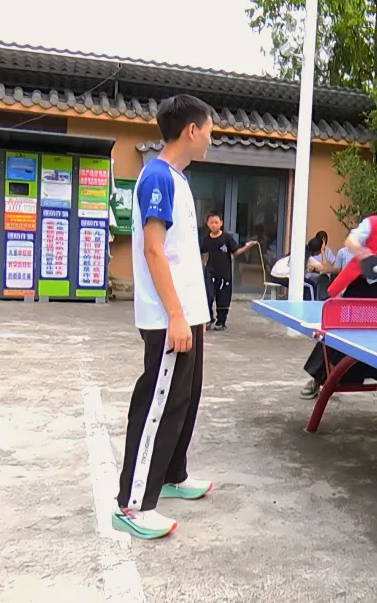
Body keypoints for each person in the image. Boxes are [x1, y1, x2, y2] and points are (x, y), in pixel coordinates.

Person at [113, 94, 217, 540]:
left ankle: (173, 474)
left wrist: (196, 314)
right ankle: (133, 505)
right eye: (209, 131)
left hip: (188, 314)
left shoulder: (178, 179)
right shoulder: (157, 177)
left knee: (184, 401)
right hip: (167, 317)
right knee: (158, 405)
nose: (210, 139)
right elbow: (154, 251)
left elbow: (181, 256)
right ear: (191, 130)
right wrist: (176, 314)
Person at [300, 188, 377, 400]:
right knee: (339, 332)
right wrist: (364, 254)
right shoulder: (372, 224)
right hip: (362, 285)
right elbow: (350, 240)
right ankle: (317, 379)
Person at [200, 212, 257, 331]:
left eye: (216, 222)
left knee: (223, 297)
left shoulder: (226, 238)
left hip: (224, 273)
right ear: (207, 224)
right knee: (207, 296)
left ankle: (221, 321)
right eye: (211, 223)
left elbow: (235, 252)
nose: (214, 225)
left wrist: (248, 246)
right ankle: (208, 319)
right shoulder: (206, 239)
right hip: (210, 272)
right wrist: (204, 267)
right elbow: (205, 254)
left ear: (221, 223)